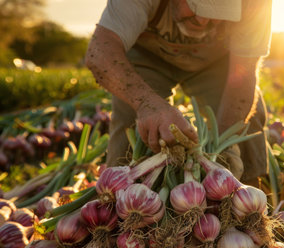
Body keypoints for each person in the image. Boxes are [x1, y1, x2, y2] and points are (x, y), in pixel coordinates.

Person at [85, 0, 272, 184]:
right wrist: (147, 105)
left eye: (217, 13)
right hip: (147, 56)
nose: (203, 20)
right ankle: (120, 195)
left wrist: (223, 143)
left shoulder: (255, 3)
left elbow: (244, 74)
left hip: (216, 61)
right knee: (133, 123)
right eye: (196, 7)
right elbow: (99, 53)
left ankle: (252, 200)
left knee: (246, 125)